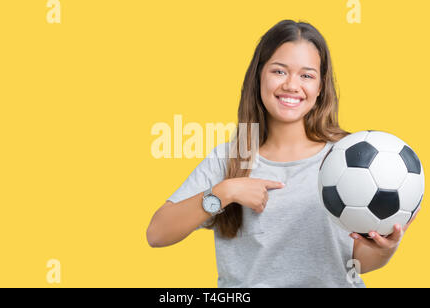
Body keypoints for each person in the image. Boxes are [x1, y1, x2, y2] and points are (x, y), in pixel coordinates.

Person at [146, 19, 418, 288]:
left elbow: (352, 264)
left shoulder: (349, 156)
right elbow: (157, 234)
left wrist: (384, 248)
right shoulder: (231, 159)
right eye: (279, 71)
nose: (291, 85)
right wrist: (224, 192)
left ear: (320, 87)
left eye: (307, 75)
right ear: (259, 76)